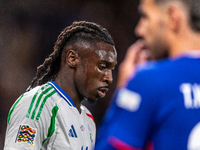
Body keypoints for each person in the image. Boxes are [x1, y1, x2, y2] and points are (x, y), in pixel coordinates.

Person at [95, 0, 200, 149]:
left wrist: (123, 93)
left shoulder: (151, 81)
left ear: (173, 17)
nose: (139, 30)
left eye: (145, 16)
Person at [4, 21, 117, 150]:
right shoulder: (38, 105)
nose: (109, 78)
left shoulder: (88, 119)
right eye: (102, 67)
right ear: (72, 59)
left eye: (111, 69)